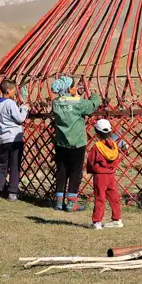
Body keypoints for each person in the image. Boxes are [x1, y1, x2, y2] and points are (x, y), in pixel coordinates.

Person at [51, 76, 101, 212]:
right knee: (75, 172)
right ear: (68, 88)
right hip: (77, 143)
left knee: (61, 171)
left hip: (61, 142)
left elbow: (65, 104)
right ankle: (71, 203)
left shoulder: (55, 103)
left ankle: (58, 202)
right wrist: (95, 95)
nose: (76, 88)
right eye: (74, 86)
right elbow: (91, 105)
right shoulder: (78, 103)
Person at [85, 118, 123, 230]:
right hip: (111, 175)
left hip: (100, 175)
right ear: (110, 132)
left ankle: (97, 222)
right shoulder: (114, 146)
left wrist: (92, 170)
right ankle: (117, 219)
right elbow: (116, 160)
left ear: (96, 132)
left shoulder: (97, 147)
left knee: (100, 197)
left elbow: (91, 161)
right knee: (114, 197)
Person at [0, 78, 29, 201]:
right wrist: (24, 108)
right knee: (14, 165)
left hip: (4, 139)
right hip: (15, 139)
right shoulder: (10, 103)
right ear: (8, 91)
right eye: (14, 90)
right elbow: (19, 118)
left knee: (2, 166)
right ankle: (12, 193)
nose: (15, 92)